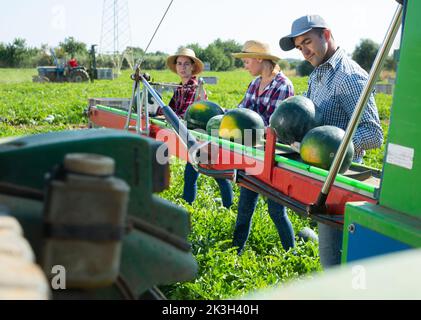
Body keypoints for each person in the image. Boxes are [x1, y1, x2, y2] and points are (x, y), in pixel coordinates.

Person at [279, 15, 383, 268]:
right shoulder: (317, 75)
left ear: (326, 35)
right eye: (299, 47)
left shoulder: (349, 76)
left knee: (332, 263)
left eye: (307, 42)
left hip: (342, 185)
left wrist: (334, 148)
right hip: (321, 176)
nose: (304, 51)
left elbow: (373, 134)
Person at [231, 40, 296, 254]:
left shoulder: (282, 85)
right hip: (253, 154)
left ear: (260, 59)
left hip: (274, 156)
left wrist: (244, 129)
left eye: (247, 60)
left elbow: (275, 127)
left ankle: (291, 254)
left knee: (276, 210)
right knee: (244, 208)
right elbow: (241, 111)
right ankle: (235, 253)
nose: (245, 65)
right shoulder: (254, 84)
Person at [164, 48, 233, 208]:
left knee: (216, 171)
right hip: (193, 135)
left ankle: (227, 205)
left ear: (193, 67)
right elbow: (171, 108)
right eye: (179, 64)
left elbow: (186, 113)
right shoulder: (180, 87)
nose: (182, 67)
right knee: (193, 172)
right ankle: (190, 205)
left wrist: (170, 115)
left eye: (186, 64)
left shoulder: (194, 87)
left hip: (202, 135)